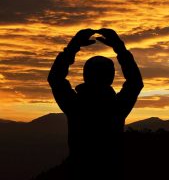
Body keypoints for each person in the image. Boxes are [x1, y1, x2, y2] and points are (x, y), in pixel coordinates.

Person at [48, 28, 143, 179]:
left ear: (85, 76)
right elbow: (135, 82)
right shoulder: (116, 107)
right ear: (111, 77)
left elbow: (55, 79)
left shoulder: (75, 106)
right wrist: (120, 48)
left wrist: (73, 47)